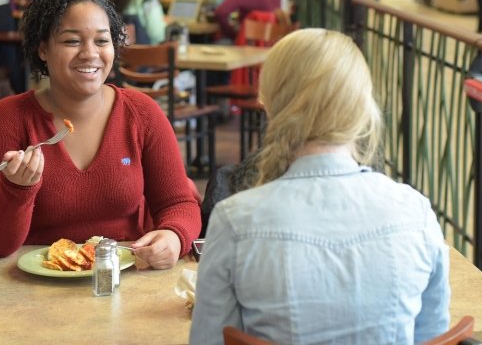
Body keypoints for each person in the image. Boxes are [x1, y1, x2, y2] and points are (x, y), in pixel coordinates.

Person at [190, 28, 451, 343]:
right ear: (361, 107)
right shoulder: (416, 212)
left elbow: (209, 340)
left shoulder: (234, 221)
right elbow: (433, 334)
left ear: (270, 105)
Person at [0, 0, 202, 269]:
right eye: (72, 41)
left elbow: (179, 204)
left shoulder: (142, 113)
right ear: (43, 49)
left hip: (124, 282)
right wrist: (17, 189)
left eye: (102, 40)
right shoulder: (8, 119)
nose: (90, 53)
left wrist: (173, 236)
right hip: (36, 291)